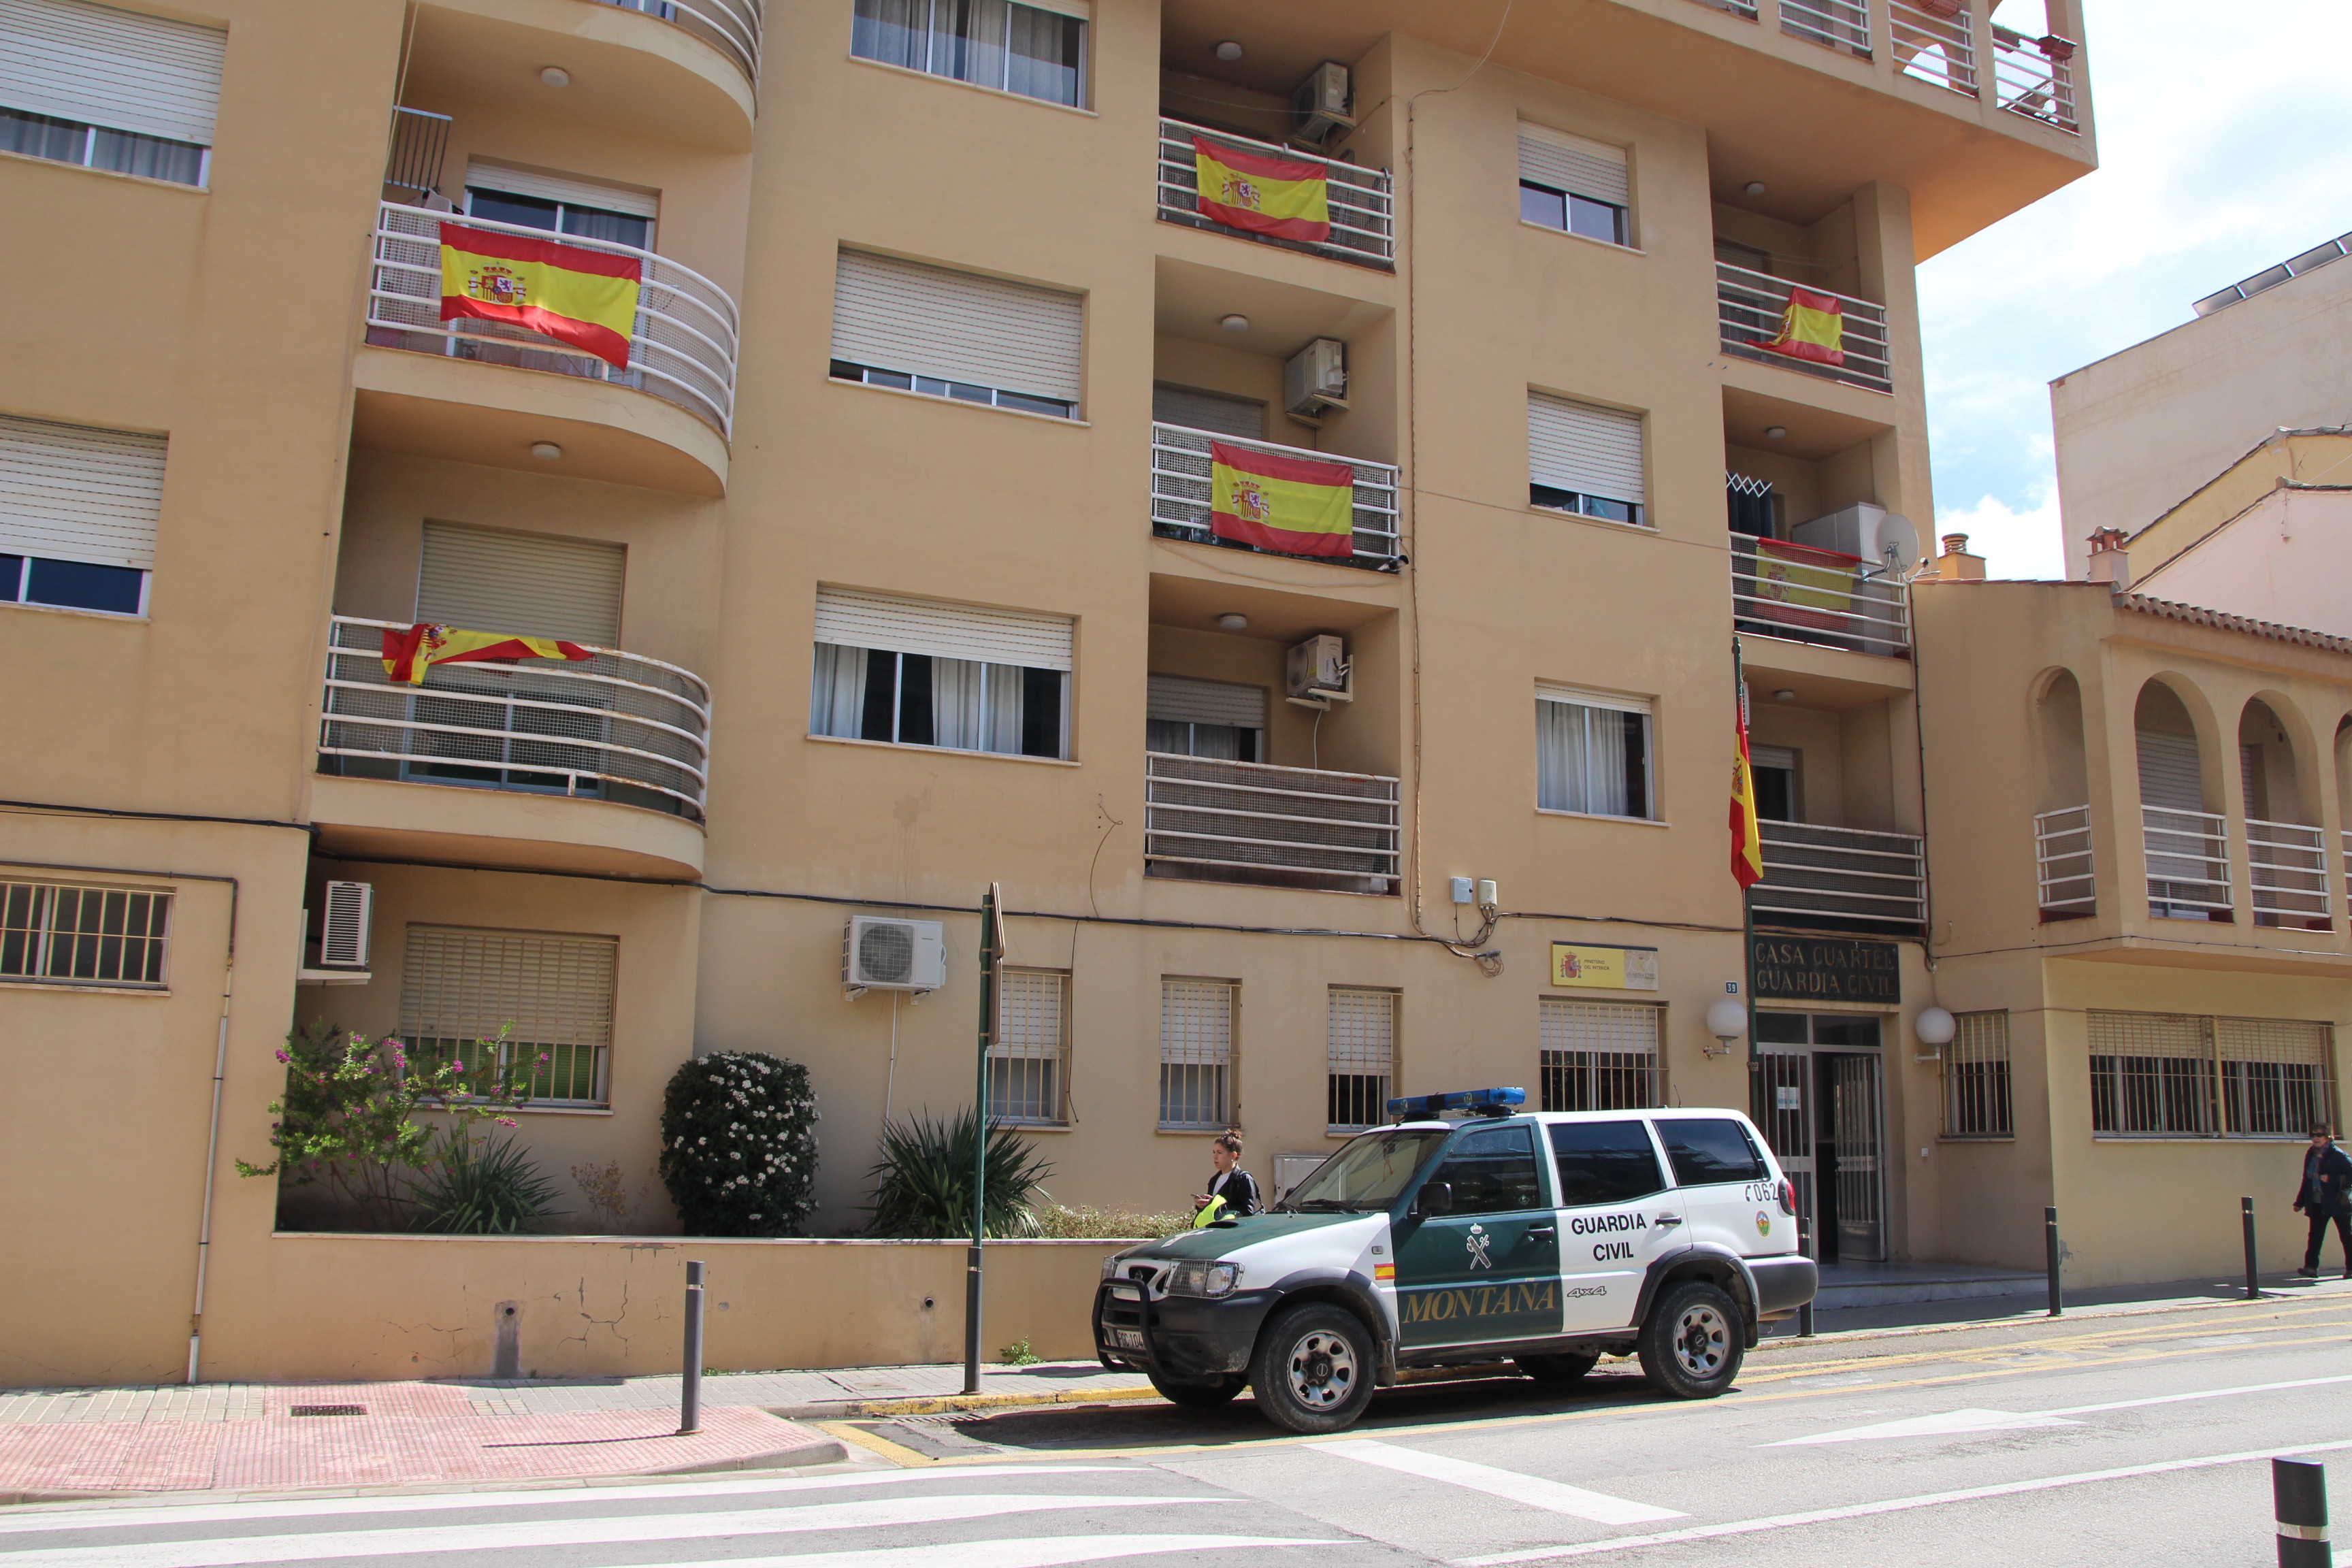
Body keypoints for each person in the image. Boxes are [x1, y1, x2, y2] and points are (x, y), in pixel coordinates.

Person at [2292, 1123, 2352, 1279]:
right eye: (2312, 1135)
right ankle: (2311, 1268)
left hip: (2338, 1202)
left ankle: (2351, 1268)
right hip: (2317, 1201)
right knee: (2315, 1235)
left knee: (2346, 1235)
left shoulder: (2338, 1155)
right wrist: (2300, 1202)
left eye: (2319, 1135)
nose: (2315, 1138)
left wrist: (2332, 1179)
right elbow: (2307, 1179)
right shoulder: (2311, 1154)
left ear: (2328, 1137)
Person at [1192, 1131, 1260, 1227]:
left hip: (1233, 1233)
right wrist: (1202, 1205)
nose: (1215, 1157)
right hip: (1215, 1232)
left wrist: (1218, 1205)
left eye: (1219, 1153)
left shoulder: (1243, 1179)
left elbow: (1248, 1212)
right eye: (1214, 1152)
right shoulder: (1214, 1180)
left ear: (1233, 1155)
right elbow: (1211, 1213)